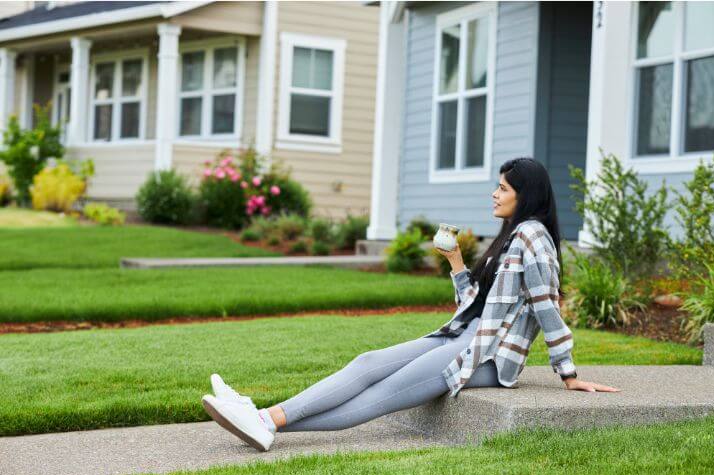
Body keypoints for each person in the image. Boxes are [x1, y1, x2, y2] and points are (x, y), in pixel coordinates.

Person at [201, 157, 621, 452]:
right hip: (463, 335)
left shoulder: (533, 237)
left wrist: (568, 373)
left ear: (525, 195)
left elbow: (548, 307)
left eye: (503, 188)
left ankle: (263, 420)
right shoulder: (512, 235)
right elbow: (475, 307)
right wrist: (457, 264)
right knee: (367, 362)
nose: (494, 194)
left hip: (487, 357)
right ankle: (261, 419)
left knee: (381, 395)